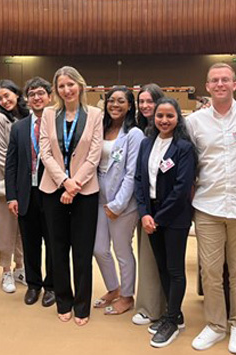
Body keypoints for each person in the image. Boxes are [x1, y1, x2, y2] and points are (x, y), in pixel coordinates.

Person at [185, 63, 236, 354]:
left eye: (225, 79)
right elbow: (189, 163)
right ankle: (216, 325)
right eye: (214, 80)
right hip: (207, 205)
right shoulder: (195, 122)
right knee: (211, 272)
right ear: (207, 86)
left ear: (235, 84)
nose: (219, 84)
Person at [40, 66, 103, 326]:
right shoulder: (48, 113)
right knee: (57, 248)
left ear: (80, 85)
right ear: (57, 90)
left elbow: (95, 154)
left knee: (82, 250)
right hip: (53, 189)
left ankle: (82, 305)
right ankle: (63, 301)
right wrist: (64, 182)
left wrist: (74, 184)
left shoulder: (95, 114)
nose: (67, 90)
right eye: (61, 86)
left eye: (71, 84)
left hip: (85, 191)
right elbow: (45, 152)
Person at [134, 97, 195, 348]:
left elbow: (182, 188)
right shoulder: (147, 143)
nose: (164, 120)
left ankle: (170, 320)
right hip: (151, 214)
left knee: (175, 269)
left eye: (170, 116)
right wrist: (144, 214)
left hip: (175, 216)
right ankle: (175, 314)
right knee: (161, 267)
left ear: (178, 118)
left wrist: (158, 218)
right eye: (160, 116)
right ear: (153, 118)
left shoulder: (184, 147)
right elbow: (139, 180)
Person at [93, 86, 144, 315]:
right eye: (111, 100)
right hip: (98, 194)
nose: (115, 105)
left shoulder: (134, 134)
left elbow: (132, 173)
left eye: (121, 101)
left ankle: (126, 295)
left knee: (122, 250)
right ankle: (113, 288)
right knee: (99, 248)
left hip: (123, 200)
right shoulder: (101, 128)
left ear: (130, 105)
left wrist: (118, 205)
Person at [5, 76, 56, 306]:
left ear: (49, 96)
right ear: (27, 99)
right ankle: (34, 285)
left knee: (54, 243)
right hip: (26, 194)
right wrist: (12, 196)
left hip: (52, 193)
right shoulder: (19, 127)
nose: (36, 98)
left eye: (41, 93)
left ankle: (52, 286)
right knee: (30, 243)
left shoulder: (59, 122)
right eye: (32, 94)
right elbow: (11, 164)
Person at [131, 83, 168, 326]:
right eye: (141, 102)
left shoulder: (168, 130)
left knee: (164, 260)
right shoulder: (139, 130)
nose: (145, 106)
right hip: (143, 204)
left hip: (165, 205)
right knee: (147, 256)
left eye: (149, 101)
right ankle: (149, 306)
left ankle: (165, 309)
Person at [0, 79, 29, 293]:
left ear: (17, 94)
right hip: (7, 176)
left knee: (22, 227)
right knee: (6, 227)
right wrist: (16, 177)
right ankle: (6, 270)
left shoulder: (27, 115)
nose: (5, 101)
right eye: (0, 98)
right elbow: (2, 152)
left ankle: (20, 267)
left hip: (25, 178)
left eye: (7, 95)